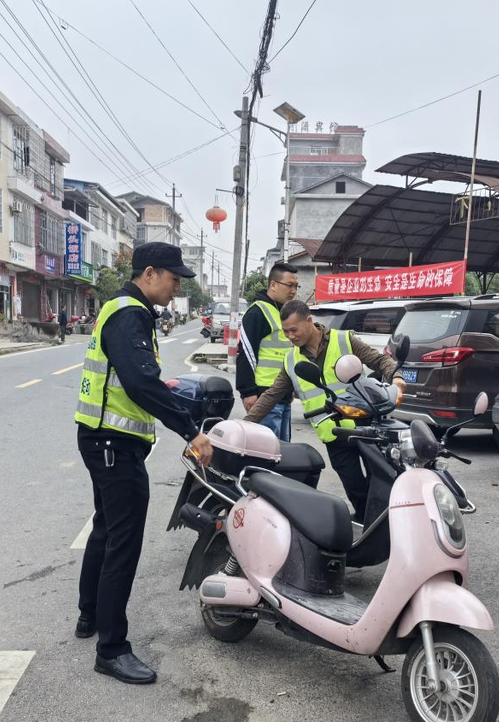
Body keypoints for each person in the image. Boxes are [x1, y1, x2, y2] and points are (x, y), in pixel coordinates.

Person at [74, 242, 214, 685]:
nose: (176, 289)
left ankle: (89, 615)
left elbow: (132, 378)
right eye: (174, 280)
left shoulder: (129, 311)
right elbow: (139, 383)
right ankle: (112, 649)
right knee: (124, 542)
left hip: (104, 438)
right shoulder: (128, 313)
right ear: (149, 273)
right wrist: (191, 430)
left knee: (106, 529)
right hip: (113, 444)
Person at [244, 299, 406, 520]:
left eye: (294, 329)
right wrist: (245, 423)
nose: (290, 336)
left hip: (366, 426)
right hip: (334, 434)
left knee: (382, 480)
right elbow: (271, 395)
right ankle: (366, 523)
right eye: (285, 332)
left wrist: (397, 379)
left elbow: (379, 361)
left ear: (309, 321)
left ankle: (386, 524)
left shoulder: (344, 340)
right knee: (354, 486)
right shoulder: (291, 359)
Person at [236, 262, 299, 440]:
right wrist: (247, 392)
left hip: (282, 395)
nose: (293, 291)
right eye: (289, 285)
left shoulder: (281, 312)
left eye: (296, 286)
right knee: (268, 453)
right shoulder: (258, 312)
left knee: (283, 454)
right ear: (273, 285)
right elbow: (246, 354)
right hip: (264, 395)